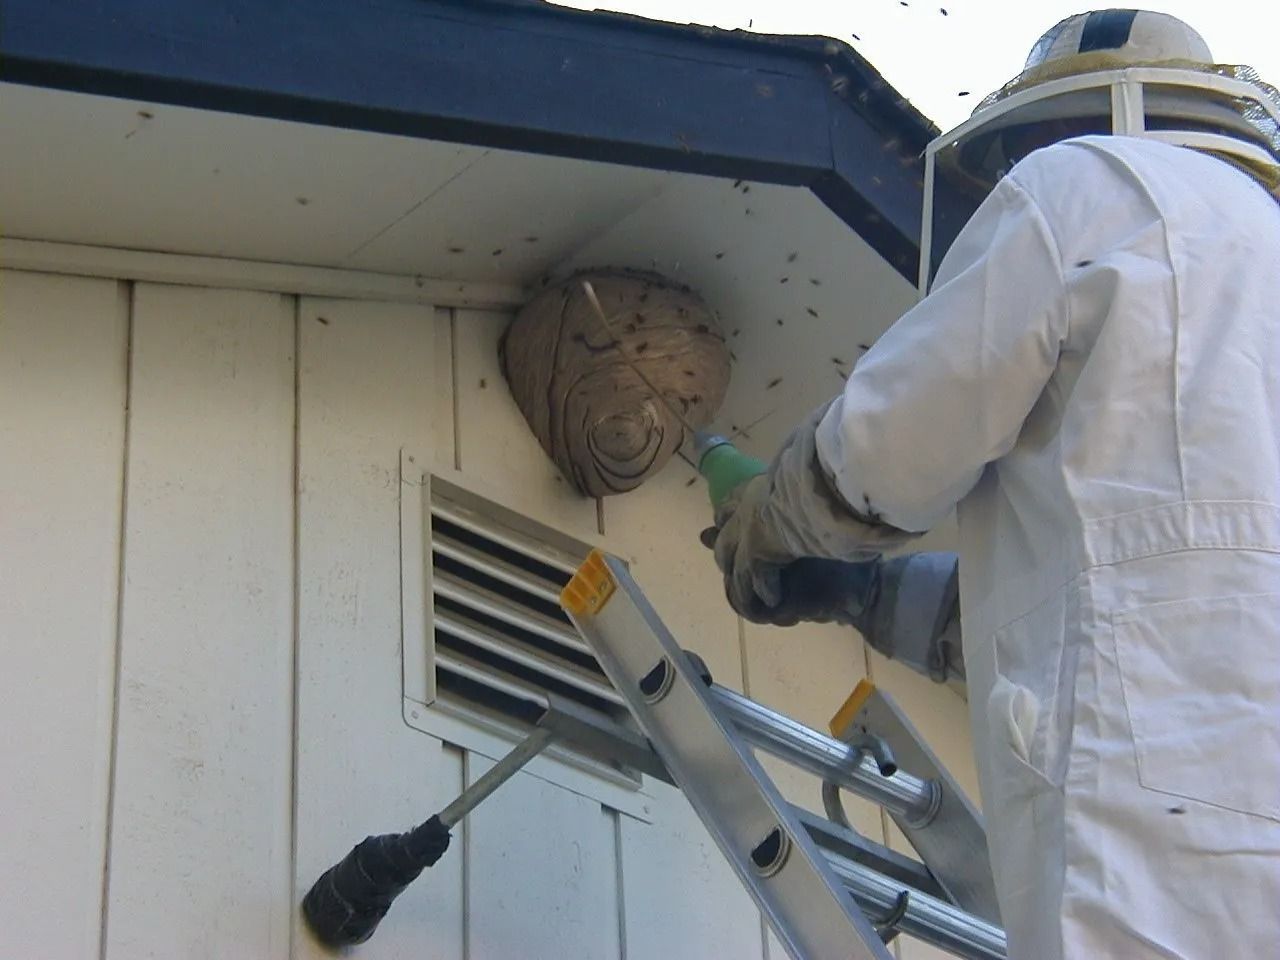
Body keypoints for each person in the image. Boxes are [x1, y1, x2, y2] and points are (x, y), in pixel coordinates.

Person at [711, 10, 1280, 958]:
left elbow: (901, 440)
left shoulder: (1090, 184)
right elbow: (1140, 587)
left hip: (1163, 844)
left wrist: (774, 520)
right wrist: (871, 596)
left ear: (1067, 120)